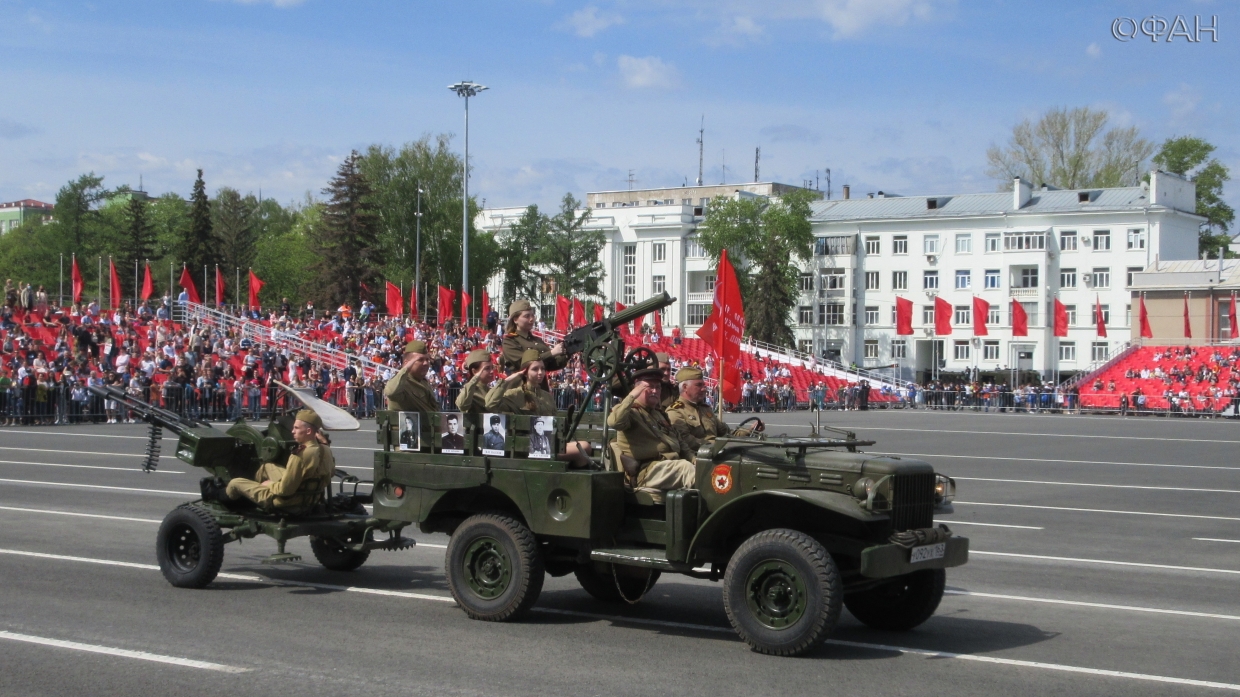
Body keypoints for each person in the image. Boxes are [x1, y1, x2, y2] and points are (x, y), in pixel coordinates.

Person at [224, 409, 335, 514]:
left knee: (235, 483)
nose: (293, 431)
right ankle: (254, 494)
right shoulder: (326, 450)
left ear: (309, 431)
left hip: (288, 501)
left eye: (296, 428)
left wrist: (269, 485)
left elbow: (285, 490)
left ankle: (233, 498)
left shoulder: (299, 455)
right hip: (311, 498)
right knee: (267, 466)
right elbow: (330, 474)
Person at [607, 368, 696, 492]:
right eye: (649, 387)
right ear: (638, 389)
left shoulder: (659, 414)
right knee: (686, 469)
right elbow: (614, 422)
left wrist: (694, 459)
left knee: (704, 469)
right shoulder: (630, 412)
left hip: (669, 466)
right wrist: (632, 395)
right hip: (647, 471)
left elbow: (680, 442)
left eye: (658, 387)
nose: (655, 391)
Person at [666, 366, 761, 451]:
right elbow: (686, 440)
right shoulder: (675, 412)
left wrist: (750, 430)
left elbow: (727, 433)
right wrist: (718, 445)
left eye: (704, 385)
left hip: (716, 452)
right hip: (698, 459)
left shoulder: (705, 409)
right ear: (685, 387)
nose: (704, 389)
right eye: (699, 385)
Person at [500, 300, 565, 374]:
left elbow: (553, 364)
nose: (531, 319)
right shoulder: (510, 341)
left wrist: (567, 351)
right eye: (527, 316)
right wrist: (551, 353)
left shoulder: (537, 340)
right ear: (515, 320)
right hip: (521, 384)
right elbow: (523, 363)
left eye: (532, 315)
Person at [485, 349, 556, 415]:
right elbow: (490, 405)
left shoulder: (548, 397)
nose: (540, 372)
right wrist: (506, 380)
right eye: (535, 369)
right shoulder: (514, 395)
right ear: (525, 372)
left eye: (542, 369)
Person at [383, 340, 438, 413]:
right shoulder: (401, 383)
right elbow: (390, 392)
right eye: (420, 360)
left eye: (427, 359)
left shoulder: (423, 382)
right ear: (407, 363)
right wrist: (405, 368)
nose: (425, 363)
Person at [455, 349, 494, 414]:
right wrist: (475, 378)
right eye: (487, 368)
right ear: (475, 371)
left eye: (492, 367)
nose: (492, 371)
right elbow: (462, 405)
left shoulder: (489, 390)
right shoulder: (470, 392)